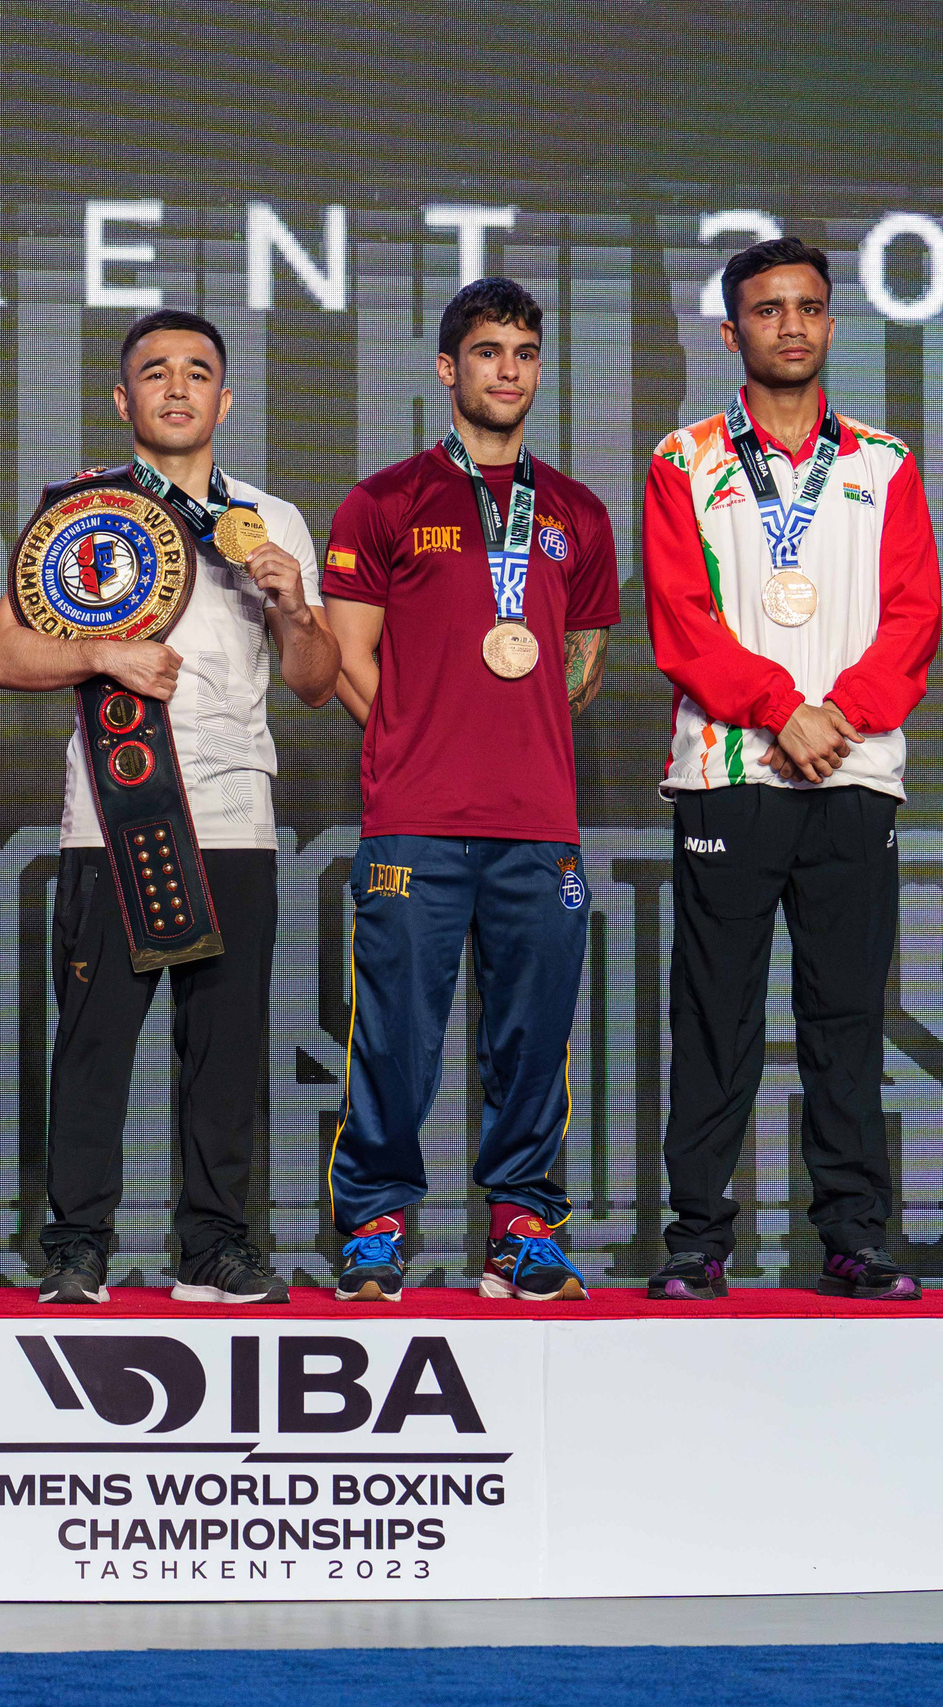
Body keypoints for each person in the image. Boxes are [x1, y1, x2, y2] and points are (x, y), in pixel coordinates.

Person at [0, 309, 338, 1305]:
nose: (176, 387)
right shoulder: (81, 513)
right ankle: (77, 1249)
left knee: (225, 1053)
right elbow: (2, 654)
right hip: (111, 816)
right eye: (154, 372)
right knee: (94, 1045)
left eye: (196, 372)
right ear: (121, 398)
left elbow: (315, 681)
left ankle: (214, 1249)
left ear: (224, 400)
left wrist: (294, 607)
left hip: (236, 816)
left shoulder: (271, 520)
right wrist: (104, 652)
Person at [642, 237, 942, 1304]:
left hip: (853, 775)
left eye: (808, 307)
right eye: (768, 310)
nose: (791, 326)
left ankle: (854, 1239)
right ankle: (696, 1242)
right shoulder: (682, 459)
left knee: (845, 1019)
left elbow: (913, 617)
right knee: (714, 1019)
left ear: (830, 323)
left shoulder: (884, 461)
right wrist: (781, 710)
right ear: (732, 332)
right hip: (729, 775)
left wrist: (837, 718)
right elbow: (681, 622)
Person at [319, 278, 618, 1304]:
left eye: (524, 353)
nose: (508, 370)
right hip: (414, 821)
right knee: (394, 1041)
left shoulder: (578, 513)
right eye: (488, 352)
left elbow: (581, 665)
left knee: (533, 1041)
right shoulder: (384, 501)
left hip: (537, 822)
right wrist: (420, 740)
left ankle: (521, 1229)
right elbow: (347, 657)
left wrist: (506, 727)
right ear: (448, 368)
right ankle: (374, 1225)